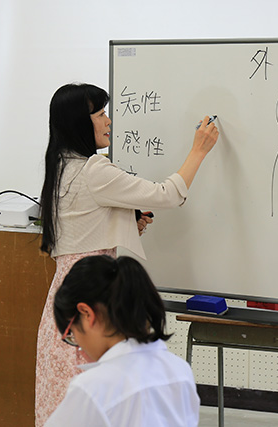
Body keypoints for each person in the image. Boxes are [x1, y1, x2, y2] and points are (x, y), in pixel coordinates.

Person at [35, 82, 219, 425]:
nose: (108, 121)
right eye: (101, 114)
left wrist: (125, 221)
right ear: (80, 123)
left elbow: (83, 226)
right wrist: (199, 150)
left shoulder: (60, 167)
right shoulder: (94, 169)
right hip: (91, 306)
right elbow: (166, 194)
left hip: (65, 306)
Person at [45, 255, 200, 426]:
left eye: (72, 334)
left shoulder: (92, 388)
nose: (79, 346)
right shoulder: (180, 371)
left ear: (87, 314)